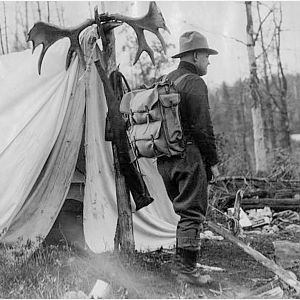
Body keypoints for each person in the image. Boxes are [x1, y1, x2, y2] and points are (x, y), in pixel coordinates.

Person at [156, 31, 220, 285]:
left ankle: (182, 266)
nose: (209, 61)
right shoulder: (194, 82)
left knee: (184, 213)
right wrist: (212, 161)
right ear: (195, 55)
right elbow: (203, 128)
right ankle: (186, 271)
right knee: (192, 214)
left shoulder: (166, 79)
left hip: (164, 158)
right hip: (187, 156)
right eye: (206, 56)